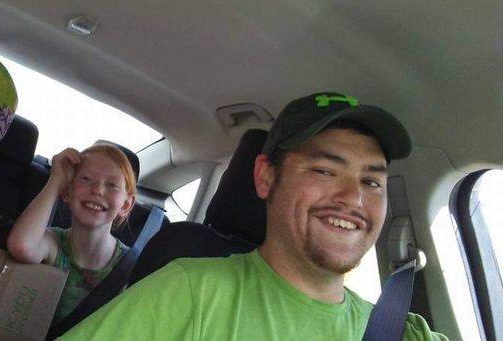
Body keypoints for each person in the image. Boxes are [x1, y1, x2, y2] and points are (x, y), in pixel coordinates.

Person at [59, 92, 448, 340]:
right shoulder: (190, 293)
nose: (354, 198)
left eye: (372, 182)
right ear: (265, 177)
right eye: (324, 170)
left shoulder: (405, 332)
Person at [8, 144, 136, 325]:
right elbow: (22, 246)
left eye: (112, 185)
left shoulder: (132, 268)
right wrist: (56, 179)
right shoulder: (54, 243)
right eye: (86, 179)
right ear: (67, 192)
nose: (98, 190)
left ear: (125, 205)